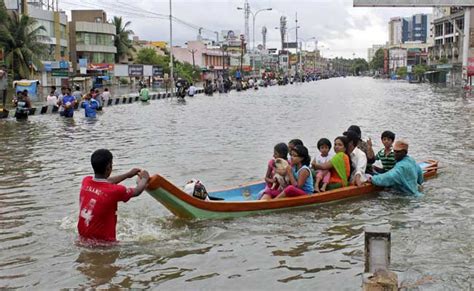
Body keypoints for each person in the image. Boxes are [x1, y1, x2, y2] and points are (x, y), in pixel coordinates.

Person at [78, 149, 150, 242]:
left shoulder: (86, 181)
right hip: (105, 245)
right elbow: (137, 191)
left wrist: (127, 175)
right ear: (109, 167)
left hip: (83, 239)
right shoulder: (115, 191)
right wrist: (144, 179)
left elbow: (106, 182)